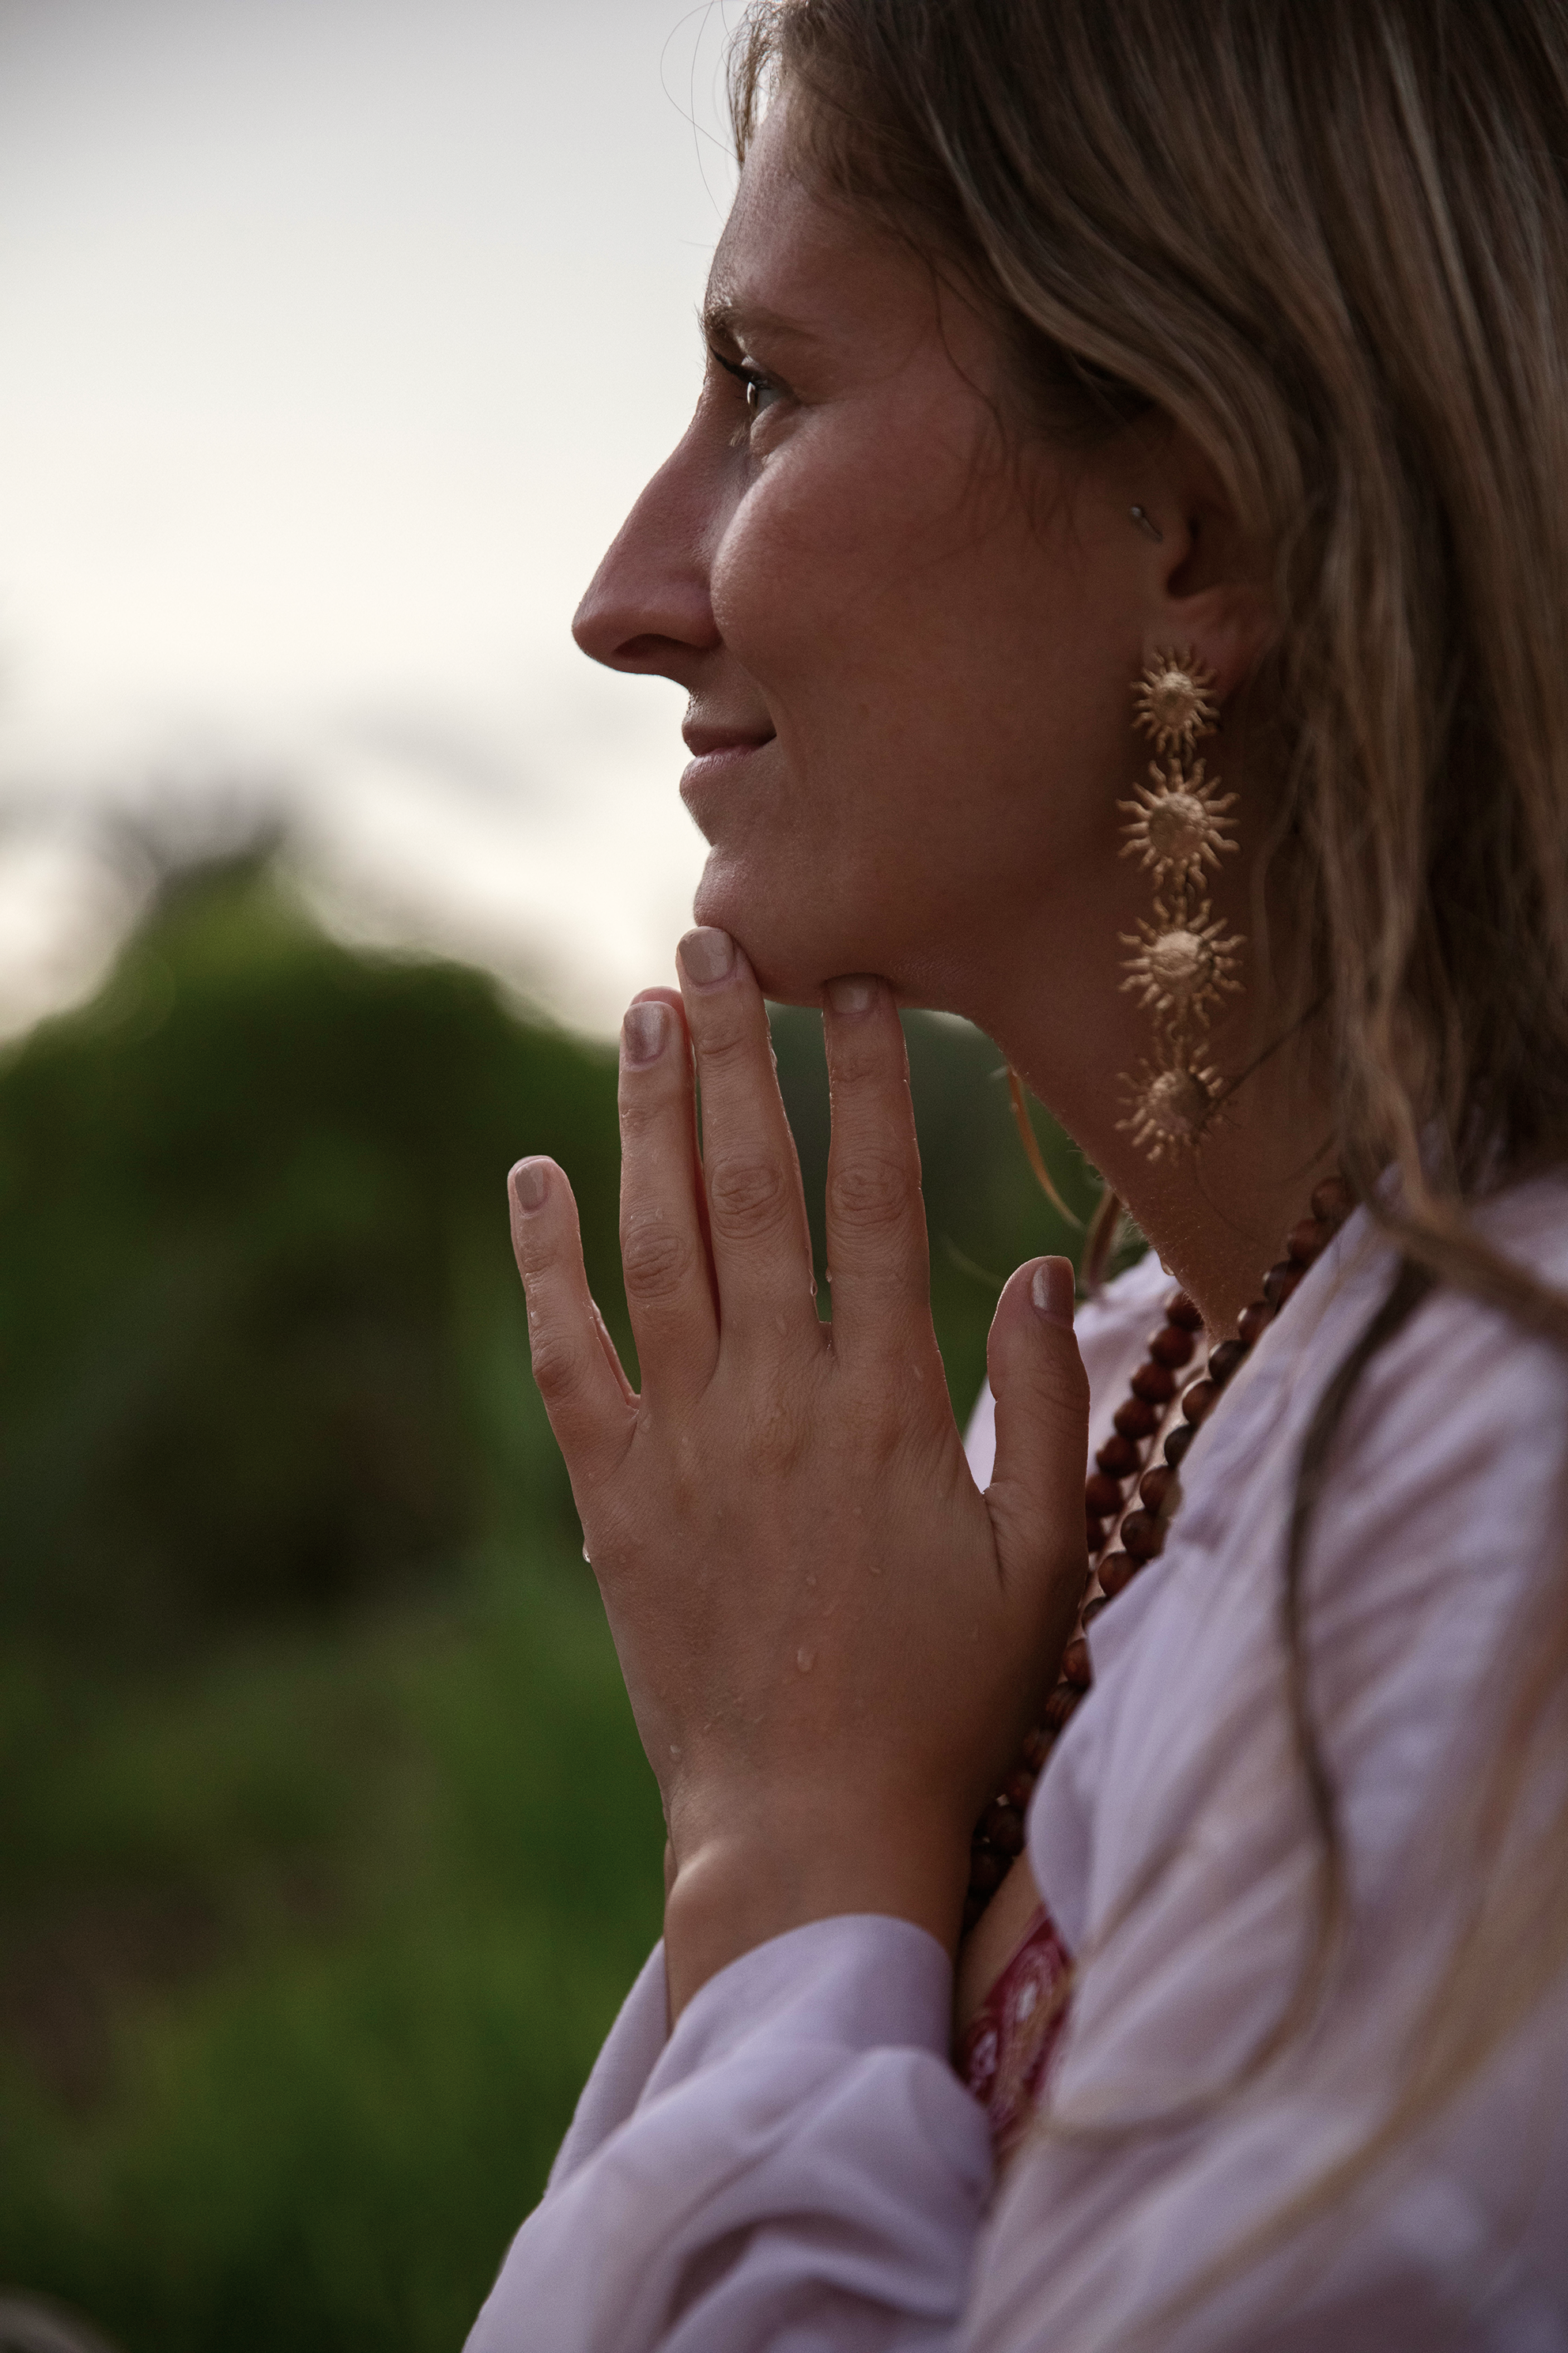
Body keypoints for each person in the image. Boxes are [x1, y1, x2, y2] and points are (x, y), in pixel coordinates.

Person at [468, 2, 1568, 2344]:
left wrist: (784, 1863)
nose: (628, 595)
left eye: (762, 393)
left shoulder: (1507, 1461)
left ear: (1190, 521)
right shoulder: (1127, 1391)